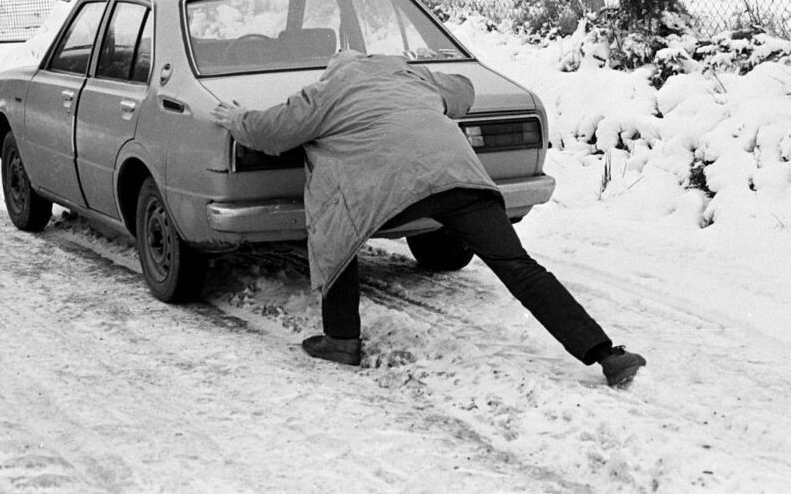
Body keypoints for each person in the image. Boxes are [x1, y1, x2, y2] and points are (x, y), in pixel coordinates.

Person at [210, 50, 646, 387]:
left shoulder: (325, 92)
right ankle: (606, 355)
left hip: (388, 192)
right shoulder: (408, 75)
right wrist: (418, 75)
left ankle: (341, 340)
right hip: (459, 180)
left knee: (338, 236)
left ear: (334, 72)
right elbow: (463, 91)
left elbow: (271, 131)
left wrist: (236, 118)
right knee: (519, 267)